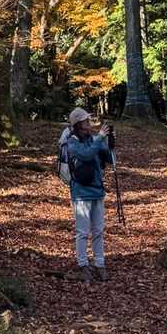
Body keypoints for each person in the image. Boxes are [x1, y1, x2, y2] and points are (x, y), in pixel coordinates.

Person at [57, 107, 116, 282]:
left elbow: (109, 159)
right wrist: (100, 138)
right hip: (81, 194)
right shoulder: (71, 142)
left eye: (88, 121)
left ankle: (99, 264)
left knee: (98, 230)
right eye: (86, 121)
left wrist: (109, 142)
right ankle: (83, 264)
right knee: (82, 232)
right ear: (78, 124)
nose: (89, 124)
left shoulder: (93, 139)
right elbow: (86, 154)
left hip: (97, 191)